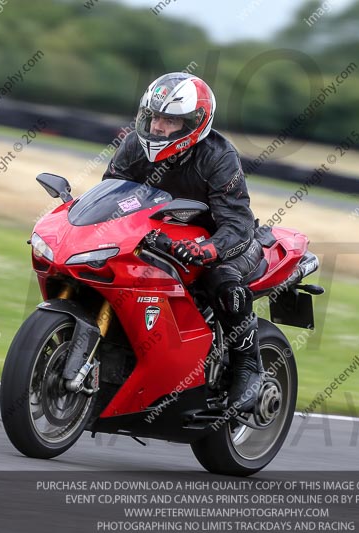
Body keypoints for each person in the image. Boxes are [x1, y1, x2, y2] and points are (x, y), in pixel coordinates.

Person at [102, 72, 264, 412]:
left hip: (225, 240)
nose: (159, 127)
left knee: (220, 279)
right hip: (163, 238)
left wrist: (207, 250)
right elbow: (111, 196)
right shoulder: (134, 144)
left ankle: (249, 364)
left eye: (170, 120)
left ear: (194, 123)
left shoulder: (219, 157)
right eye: (154, 117)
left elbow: (237, 222)